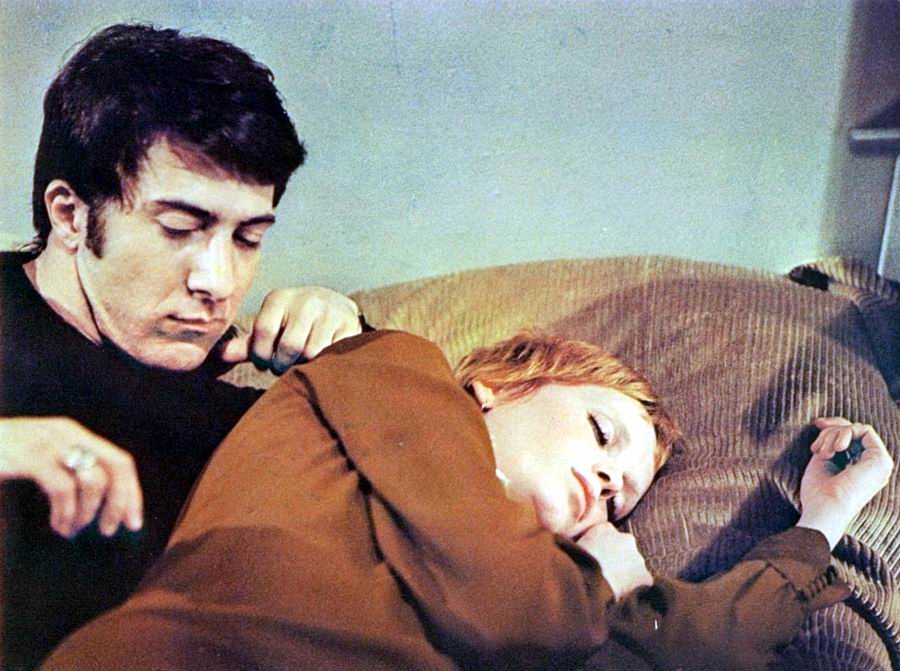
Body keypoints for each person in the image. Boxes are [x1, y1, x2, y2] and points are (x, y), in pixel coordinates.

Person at [40, 331, 893, 671]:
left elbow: (693, 652)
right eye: (601, 433)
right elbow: (503, 602)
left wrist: (823, 518)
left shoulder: (555, 584)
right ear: (501, 385)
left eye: (622, 495)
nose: (607, 483)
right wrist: (610, 584)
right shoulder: (394, 369)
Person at [0, 24, 365, 670]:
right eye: (178, 229)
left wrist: (355, 351)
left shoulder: (230, 401)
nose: (218, 282)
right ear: (70, 214)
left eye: (248, 238)